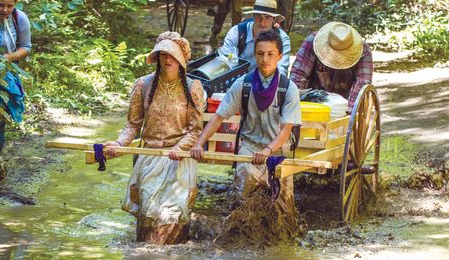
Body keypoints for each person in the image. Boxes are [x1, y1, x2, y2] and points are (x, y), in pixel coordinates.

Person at [191, 30, 301, 229]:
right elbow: (218, 117)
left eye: (270, 54)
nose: (264, 59)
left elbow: (286, 131)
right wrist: (199, 143)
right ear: (255, 54)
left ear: (280, 56)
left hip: (279, 151)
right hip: (249, 148)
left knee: (283, 212)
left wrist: (268, 152)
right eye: (260, 54)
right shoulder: (243, 84)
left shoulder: (288, 89)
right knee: (243, 200)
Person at [104, 32, 205, 244]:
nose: (168, 60)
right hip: (149, 157)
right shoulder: (144, 85)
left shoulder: (194, 87)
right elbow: (133, 125)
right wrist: (119, 143)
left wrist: (179, 148)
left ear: (181, 60)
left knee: (173, 214)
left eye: (172, 56)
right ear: (157, 58)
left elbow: (196, 129)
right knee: (149, 213)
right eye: (163, 55)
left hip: (179, 159)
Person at [0, 0, 32, 185]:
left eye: (9, 6)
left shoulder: (19, 18)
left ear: (15, 5)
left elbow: (25, 47)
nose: (5, 10)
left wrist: (8, 58)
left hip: (3, 78)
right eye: (1, 5)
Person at [289, 21, 373, 114]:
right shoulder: (312, 42)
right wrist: (292, 100)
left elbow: (362, 83)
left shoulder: (363, 51)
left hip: (344, 104)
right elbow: (298, 73)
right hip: (315, 103)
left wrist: (349, 110)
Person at [218, 0, 291, 74]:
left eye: (267, 17)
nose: (262, 22)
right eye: (258, 16)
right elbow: (225, 65)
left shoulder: (282, 39)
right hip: (238, 80)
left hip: (267, 81)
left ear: (274, 20)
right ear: (253, 16)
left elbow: (281, 71)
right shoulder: (237, 33)